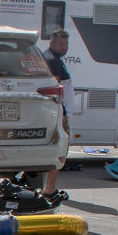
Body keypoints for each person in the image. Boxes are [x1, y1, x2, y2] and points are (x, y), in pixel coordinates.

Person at [41, 29, 72, 198]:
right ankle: (49, 188)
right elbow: (57, 90)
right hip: (59, 111)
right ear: (51, 43)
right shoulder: (52, 60)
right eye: (61, 44)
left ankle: (48, 187)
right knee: (60, 148)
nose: (64, 47)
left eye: (66, 44)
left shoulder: (53, 58)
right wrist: (64, 112)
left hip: (58, 110)